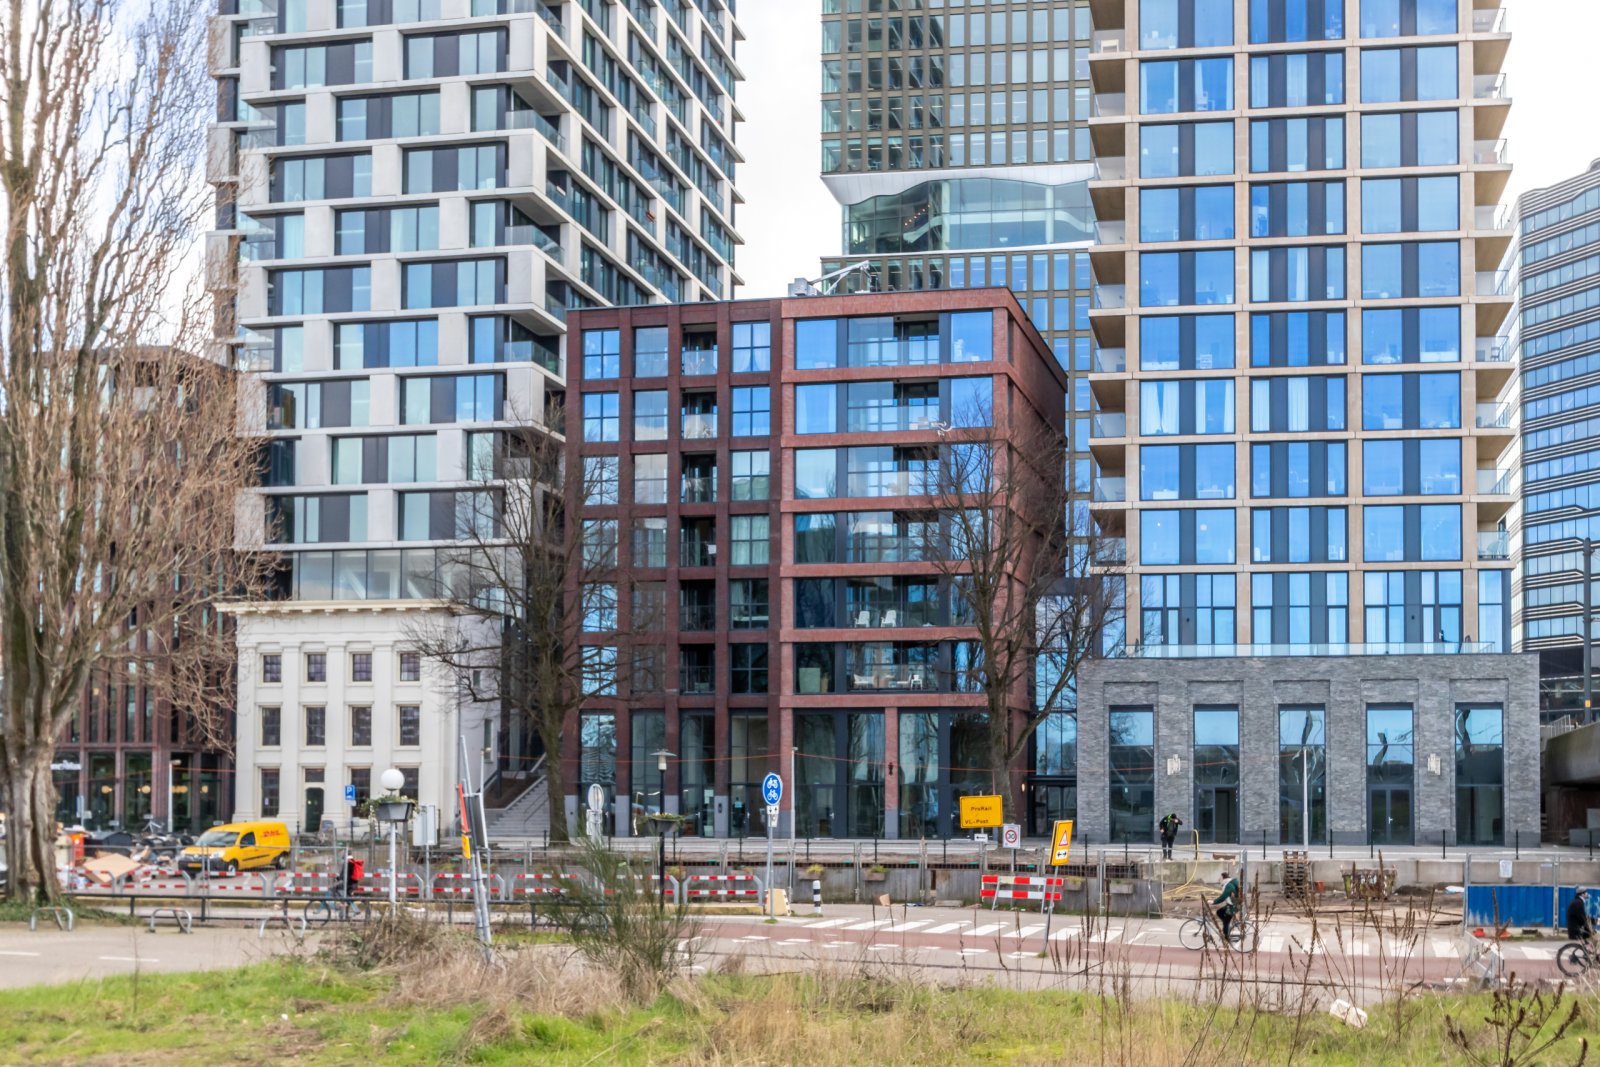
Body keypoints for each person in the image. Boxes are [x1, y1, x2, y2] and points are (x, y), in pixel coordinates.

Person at [1214, 869, 1241, 943]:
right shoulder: (1229, 883)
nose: (1218, 880)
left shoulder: (1228, 885)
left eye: (1220, 878)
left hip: (1233, 906)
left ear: (1223, 878)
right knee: (1219, 912)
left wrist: (1213, 902)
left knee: (1226, 921)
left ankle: (1227, 938)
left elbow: (1223, 896)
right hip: (1233, 904)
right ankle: (1227, 926)